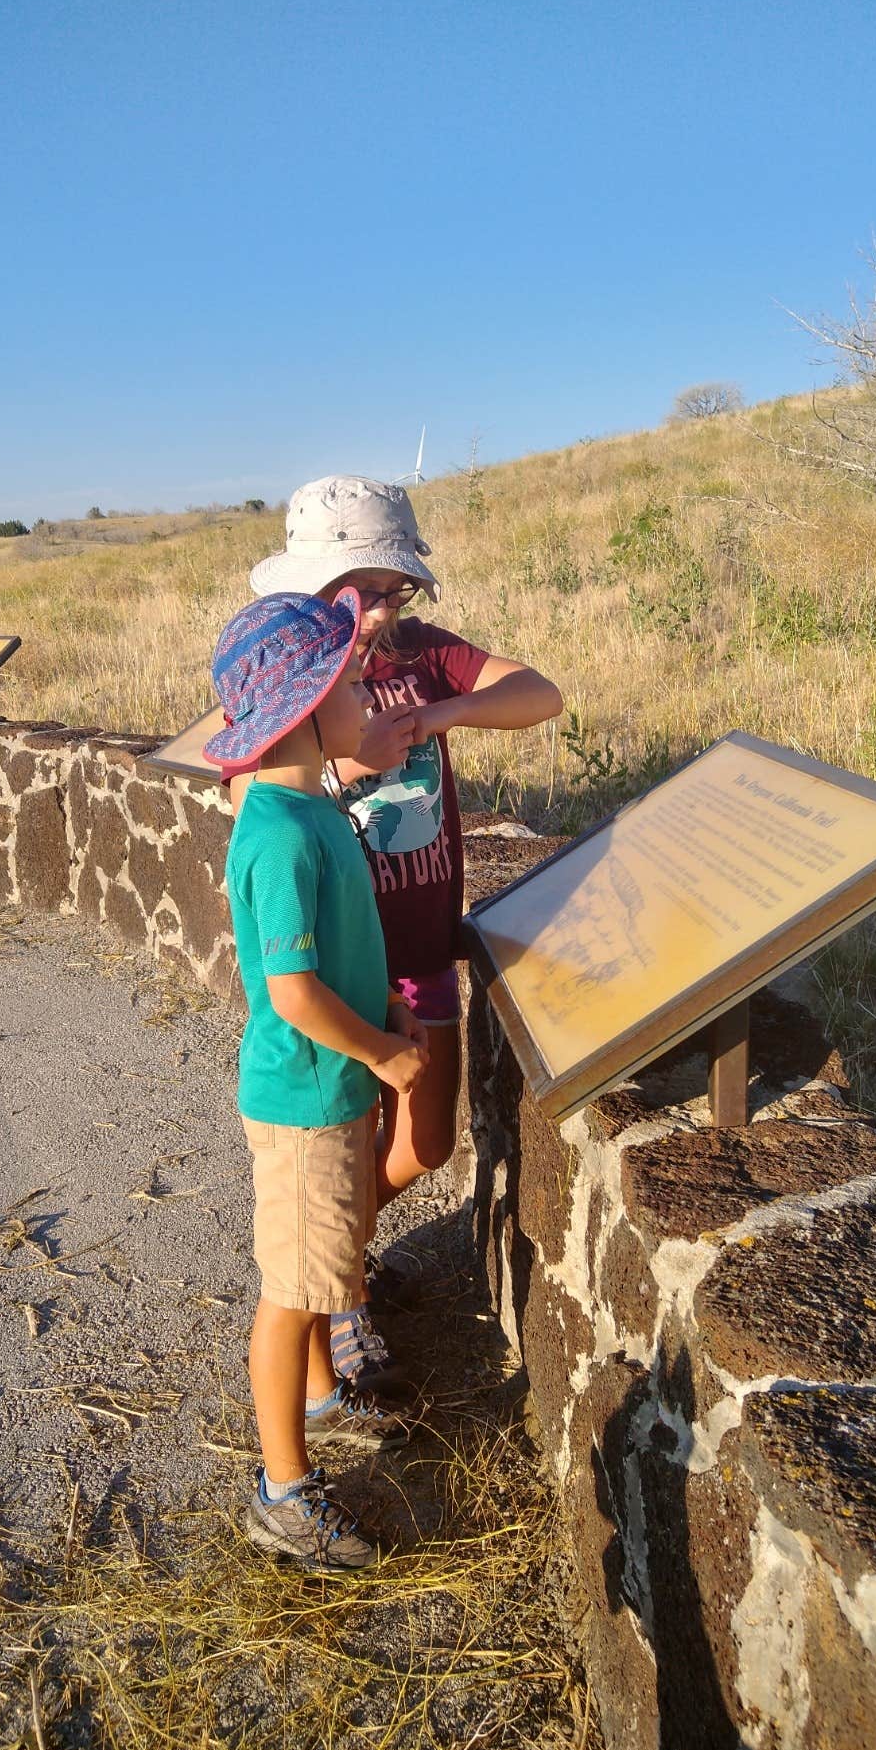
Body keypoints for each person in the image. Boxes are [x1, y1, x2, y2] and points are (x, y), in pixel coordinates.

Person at [236, 476, 563, 1391]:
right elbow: (244, 786)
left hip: (420, 947)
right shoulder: (292, 661)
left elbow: (541, 695)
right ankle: (335, 1297)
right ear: (313, 583)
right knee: (340, 1134)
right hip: (341, 962)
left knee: (424, 1141)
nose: (381, 613)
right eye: (363, 591)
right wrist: (352, 755)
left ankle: (332, 1252)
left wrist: (449, 711)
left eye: (395, 591)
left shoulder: (426, 654)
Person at [204, 587, 430, 1572]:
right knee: (290, 1292)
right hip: (305, 1092)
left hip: (326, 1083)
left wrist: (383, 1016)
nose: (368, 694)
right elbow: (293, 992)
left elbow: (335, 956)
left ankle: (323, 1398)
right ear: (304, 710)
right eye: (350, 684)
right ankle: (284, 1493)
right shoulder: (284, 834)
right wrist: (382, 1054)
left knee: (319, 1263)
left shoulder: (311, 805)